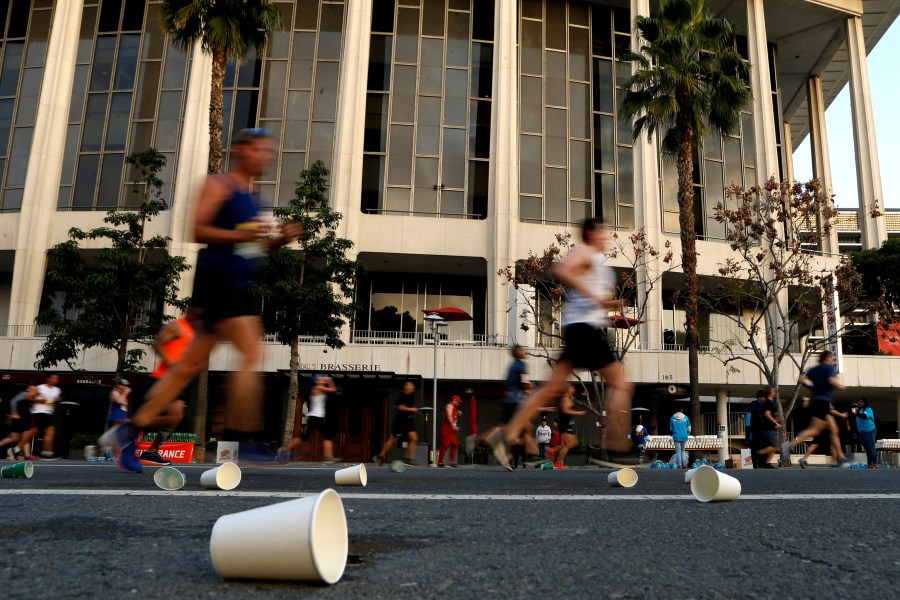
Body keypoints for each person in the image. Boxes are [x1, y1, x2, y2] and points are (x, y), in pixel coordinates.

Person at [100, 128, 302, 473]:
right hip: (218, 280)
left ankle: (128, 431)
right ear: (240, 150)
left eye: (269, 151)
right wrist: (241, 235)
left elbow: (249, 248)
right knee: (253, 352)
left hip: (233, 283)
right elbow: (197, 229)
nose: (265, 156)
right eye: (259, 149)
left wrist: (278, 242)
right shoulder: (218, 185)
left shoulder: (254, 200)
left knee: (186, 369)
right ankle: (245, 441)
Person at [487, 218, 634, 469]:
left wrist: (606, 307)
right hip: (584, 331)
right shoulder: (585, 253)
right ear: (591, 233)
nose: (607, 236)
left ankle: (505, 436)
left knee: (550, 389)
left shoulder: (594, 260)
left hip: (581, 329)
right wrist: (595, 297)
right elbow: (562, 271)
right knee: (621, 384)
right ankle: (616, 447)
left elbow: (583, 295)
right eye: (603, 232)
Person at [139, 311, 200, 466]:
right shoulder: (178, 326)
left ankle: (151, 451)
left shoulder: (196, 335)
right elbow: (157, 344)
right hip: (164, 378)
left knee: (174, 419)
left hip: (178, 383)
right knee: (174, 416)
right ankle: (132, 427)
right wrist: (171, 363)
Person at [782, 350, 851, 468]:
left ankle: (841, 458)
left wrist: (812, 387)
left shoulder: (814, 369)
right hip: (823, 402)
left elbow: (800, 379)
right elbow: (831, 380)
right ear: (827, 358)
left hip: (816, 401)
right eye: (830, 358)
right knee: (814, 430)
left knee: (834, 430)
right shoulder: (829, 368)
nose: (831, 360)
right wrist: (841, 387)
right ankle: (789, 446)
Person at [17, 374, 62, 461]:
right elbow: (28, 397)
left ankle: (17, 448)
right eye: (54, 378)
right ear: (48, 379)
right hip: (39, 412)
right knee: (50, 431)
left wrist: (57, 399)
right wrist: (39, 400)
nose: (56, 380)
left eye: (57, 378)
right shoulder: (40, 388)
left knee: (36, 432)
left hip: (48, 413)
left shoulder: (57, 390)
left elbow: (55, 399)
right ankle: (47, 453)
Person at [296, 375, 340, 463]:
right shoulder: (317, 388)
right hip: (315, 417)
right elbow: (333, 389)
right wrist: (330, 380)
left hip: (316, 417)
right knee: (328, 436)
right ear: (317, 381)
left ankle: (284, 450)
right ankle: (328, 457)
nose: (323, 379)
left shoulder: (320, 389)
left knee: (304, 438)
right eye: (321, 379)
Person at [375, 381, 420, 466]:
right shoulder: (401, 395)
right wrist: (411, 409)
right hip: (400, 423)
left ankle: (408, 458)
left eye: (413, 386)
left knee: (414, 438)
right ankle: (380, 456)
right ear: (406, 387)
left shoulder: (412, 395)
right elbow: (400, 407)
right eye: (411, 386)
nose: (413, 387)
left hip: (409, 422)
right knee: (393, 440)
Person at [1, 384, 36, 461]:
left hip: (22, 418)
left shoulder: (30, 395)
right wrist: (14, 413)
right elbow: (13, 401)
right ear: (29, 387)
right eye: (34, 387)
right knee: (26, 435)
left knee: (14, 438)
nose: (35, 388)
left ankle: (26, 454)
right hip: (21, 418)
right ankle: (24, 454)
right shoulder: (25, 393)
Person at [554, 385, 586, 469]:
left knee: (574, 443)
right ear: (567, 390)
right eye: (572, 388)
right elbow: (565, 410)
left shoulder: (569, 398)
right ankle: (558, 463)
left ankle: (556, 452)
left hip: (569, 424)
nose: (574, 389)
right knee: (568, 444)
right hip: (564, 424)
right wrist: (578, 413)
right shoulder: (565, 399)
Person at [749, 387, 782, 468]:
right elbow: (762, 416)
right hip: (756, 430)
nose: (764, 399)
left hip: (763, 429)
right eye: (763, 398)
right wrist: (773, 421)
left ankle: (763, 464)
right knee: (757, 447)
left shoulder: (765, 405)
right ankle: (756, 465)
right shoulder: (754, 405)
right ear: (759, 398)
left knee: (766, 447)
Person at [438, 395, 462, 467]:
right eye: (458, 402)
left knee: (455, 444)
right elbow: (449, 416)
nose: (459, 403)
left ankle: (451, 462)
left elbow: (452, 415)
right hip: (447, 429)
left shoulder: (453, 407)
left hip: (451, 430)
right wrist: (453, 426)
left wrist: (457, 413)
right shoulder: (449, 406)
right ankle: (440, 463)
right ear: (454, 400)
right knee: (445, 446)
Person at [853, 397, 878, 468]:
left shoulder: (868, 409)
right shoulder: (859, 410)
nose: (860, 403)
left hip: (869, 430)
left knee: (871, 447)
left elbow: (864, 416)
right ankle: (870, 463)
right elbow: (857, 421)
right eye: (859, 401)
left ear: (865, 402)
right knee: (867, 448)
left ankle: (875, 463)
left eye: (861, 401)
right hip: (861, 431)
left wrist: (856, 413)